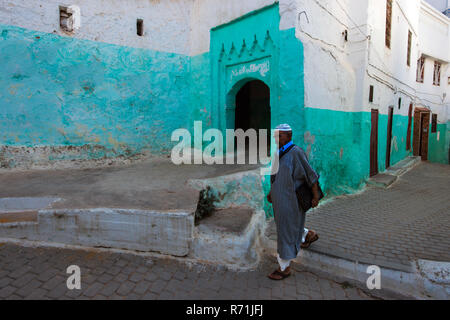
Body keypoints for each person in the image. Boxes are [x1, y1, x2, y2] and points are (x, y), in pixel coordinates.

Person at [267, 124, 321, 280]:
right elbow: (276, 176)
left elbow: (311, 175)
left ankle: (284, 268)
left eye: (280, 136)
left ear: (289, 136)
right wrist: (272, 192)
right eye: (276, 136)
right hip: (279, 200)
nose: (277, 139)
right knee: (287, 226)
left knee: (284, 232)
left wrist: (315, 196)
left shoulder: (296, 152)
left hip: (291, 200)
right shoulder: (278, 153)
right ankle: (307, 234)